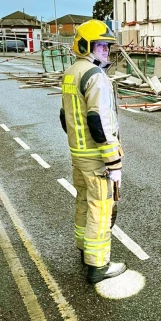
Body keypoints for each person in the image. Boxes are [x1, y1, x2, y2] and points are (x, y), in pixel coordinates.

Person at [59, 19, 126, 284]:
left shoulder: (71, 72)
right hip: (98, 159)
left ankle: (83, 247)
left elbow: (65, 117)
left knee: (84, 202)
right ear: (86, 46)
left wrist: (79, 146)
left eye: (108, 47)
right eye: (101, 46)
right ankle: (98, 266)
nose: (106, 51)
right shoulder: (96, 77)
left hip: (79, 154)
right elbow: (99, 122)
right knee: (101, 208)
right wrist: (114, 161)